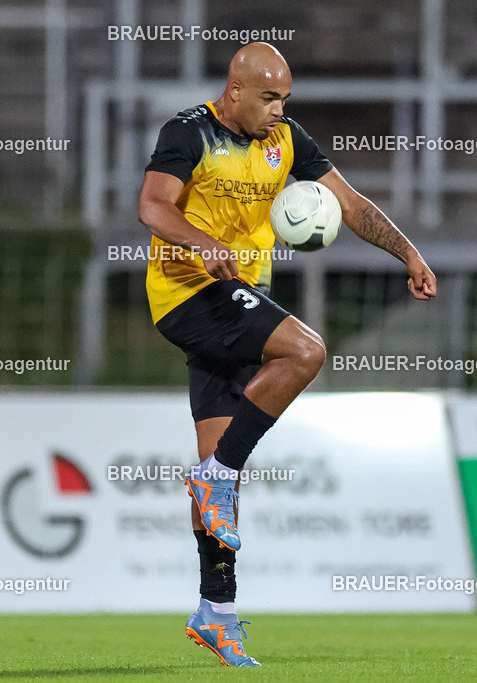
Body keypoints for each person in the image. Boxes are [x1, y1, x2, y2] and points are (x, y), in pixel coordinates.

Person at [137, 42, 437, 667]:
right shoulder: (189, 133)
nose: (279, 109)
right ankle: (214, 476)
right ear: (236, 90)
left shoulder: (287, 141)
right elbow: (153, 206)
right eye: (270, 98)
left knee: (221, 467)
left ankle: (215, 611)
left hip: (241, 298)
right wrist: (200, 243)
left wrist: (407, 253)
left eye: (286, 99)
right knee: (305, 351)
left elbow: (351, 204)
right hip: (190, 293)